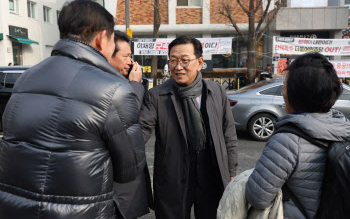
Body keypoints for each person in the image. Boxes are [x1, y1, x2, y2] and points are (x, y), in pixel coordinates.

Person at [0, 0, 146, 219]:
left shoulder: (25, 78)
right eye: (113, 40)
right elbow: (130, 170)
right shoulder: (113, 89)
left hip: (17, 207)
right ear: (101, 38)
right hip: (82, 211)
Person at [140, 36, 238, 219]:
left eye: (184, 60)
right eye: (173, 60)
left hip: (211, 172)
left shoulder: (216, 91)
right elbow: (140, 132)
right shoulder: (157, 96)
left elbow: (229, 134)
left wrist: (231, 171)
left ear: (200, 62)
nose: (178, 67)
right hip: (174, 176)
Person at [245, 52, 350, 219]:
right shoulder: (344, 128)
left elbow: (257, 197)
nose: (283, 93)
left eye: (284, 88)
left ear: (296, 95)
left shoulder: (286, 141)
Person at [110, 30, 153, 219]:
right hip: (116, 185)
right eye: (126, 56)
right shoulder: (107, 84)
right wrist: (135, 85)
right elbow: (126, 119)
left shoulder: (121, 80)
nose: (131, 61)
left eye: (131, 56)